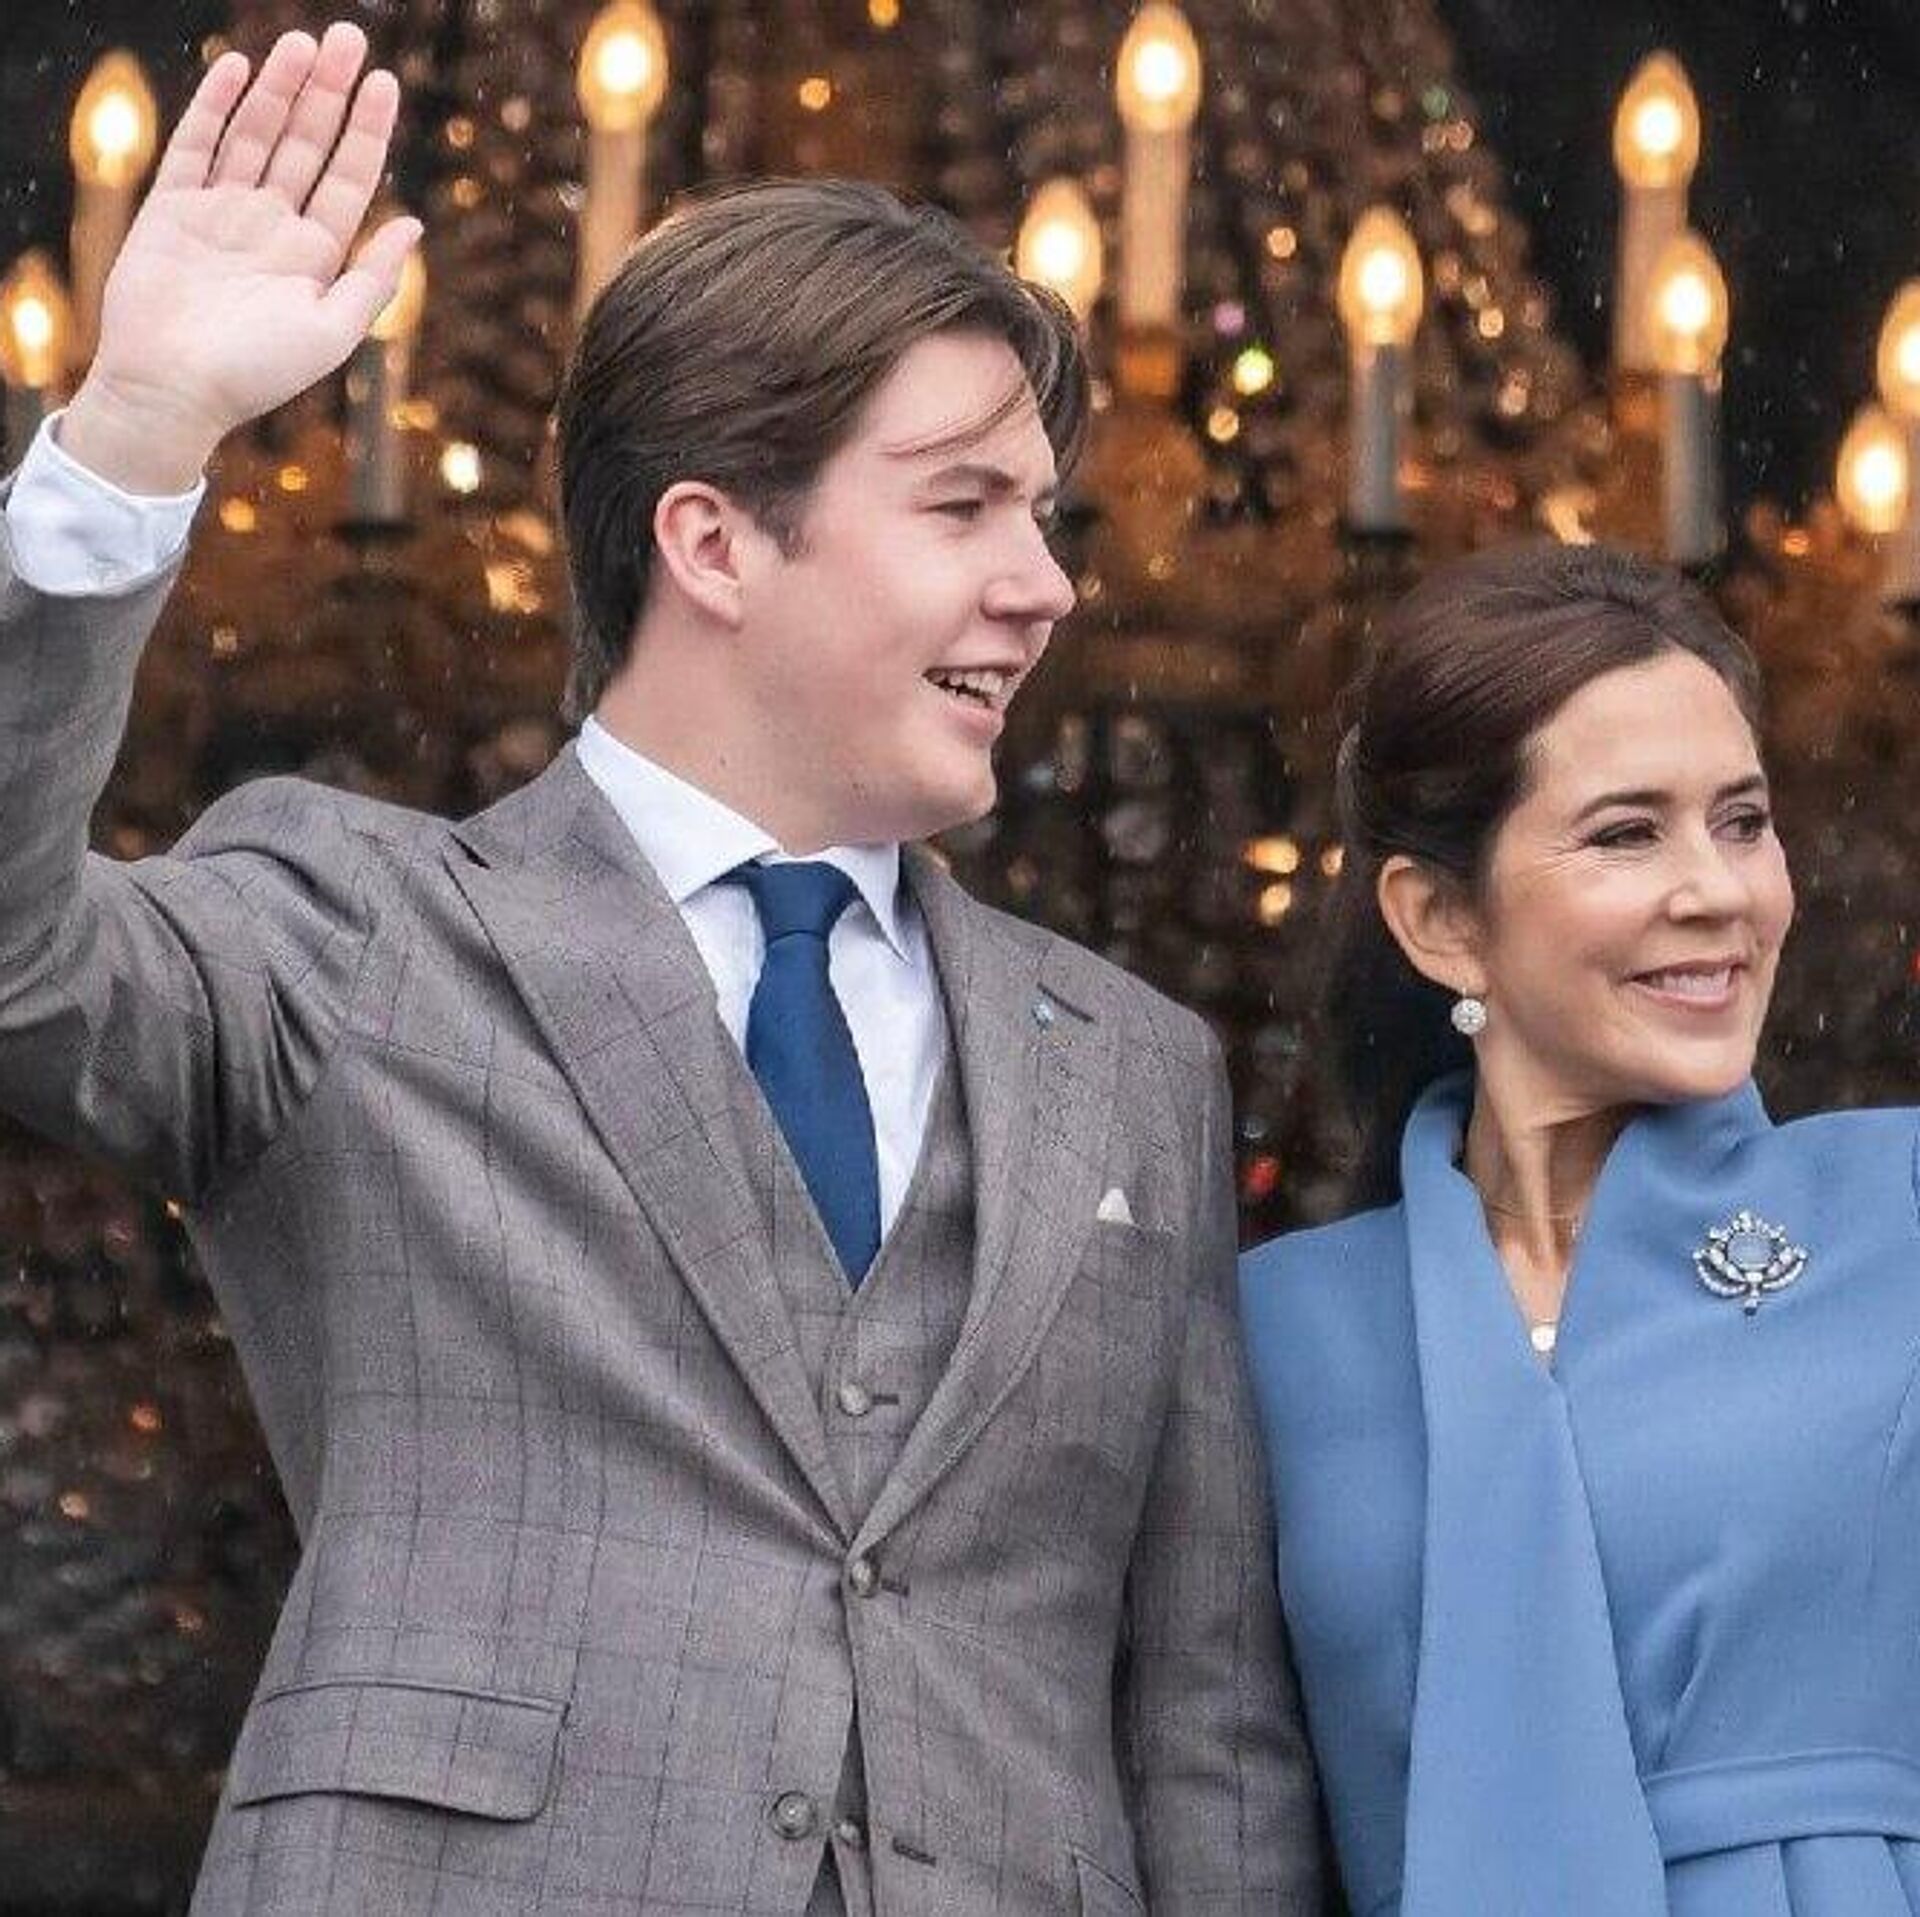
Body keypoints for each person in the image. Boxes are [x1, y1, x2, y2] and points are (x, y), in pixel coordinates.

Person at [0, 25, 1327, 1917]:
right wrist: (131, 435)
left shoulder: (1132, 1062)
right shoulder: (353, 931)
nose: (1046, 584)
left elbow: (1208, 1726)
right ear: (711, 540)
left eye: (1042, 517)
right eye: (963, 506)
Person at [1239, 536, 1920, 1916]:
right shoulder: (1274, 1328)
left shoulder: (1899, 1207)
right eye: (1627, 833)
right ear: (1441, 919)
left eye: (1743, 820)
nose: (1719, 890)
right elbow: (1214, 1793)